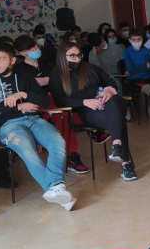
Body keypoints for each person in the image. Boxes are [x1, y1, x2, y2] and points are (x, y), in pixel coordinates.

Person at [0, 43, 76, 210]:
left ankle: (55, 189)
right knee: (27, 149)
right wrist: (18, 106)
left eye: (1, 58)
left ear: (12, 60)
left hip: (34, 119)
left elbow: (43, 100)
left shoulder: (24, 76)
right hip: (8, 126)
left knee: (57, 142)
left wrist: (23, 94)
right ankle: (55, 188)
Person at [50, 42, 138, 182]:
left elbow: (110, 81)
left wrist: (109, 89)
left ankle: (117, 146)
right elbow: (61, 100)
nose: (77, 59)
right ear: (62, 56)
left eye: (79, 55)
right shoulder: (56, 74)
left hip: (106, 105)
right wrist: (84, 102)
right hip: (85, 111)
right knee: (118, 119)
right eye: (72, 56)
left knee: (114, 101)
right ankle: (125, 163)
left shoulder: (89, 67)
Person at [16, 35, 90, 175]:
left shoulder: (47, 63)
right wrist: (41, 82)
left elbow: (60, 78)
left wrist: (47, 81)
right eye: (31, 49)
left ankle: (70, 154)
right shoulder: (20, 70)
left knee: (66, 112)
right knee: (61, 115)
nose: (35, 50)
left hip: (57, 96)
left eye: (36, 47)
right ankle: (69, 155)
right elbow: (25, 89)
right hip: (38, 102)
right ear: (21, 53)